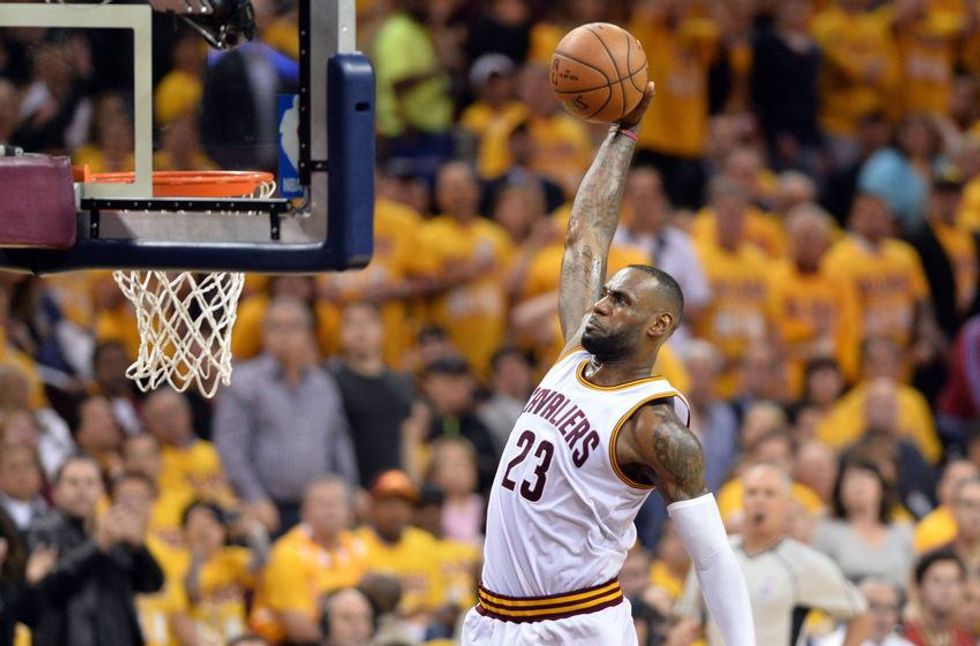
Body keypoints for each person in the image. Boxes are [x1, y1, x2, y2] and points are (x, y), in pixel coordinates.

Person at [461, 84, 754, 645]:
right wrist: (624, 134)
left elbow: (715, 557)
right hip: (494, 618)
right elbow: (585, 236)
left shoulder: (654, 426)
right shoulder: (576, 353)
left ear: (658, 326)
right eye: (605, 293)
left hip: (575, 626)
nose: (599, 303)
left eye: (619, 300)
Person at [676, 463, 870, 645]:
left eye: (770, 494)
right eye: (752, 493)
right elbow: (691, 621)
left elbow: (861, 616)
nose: (759, 500)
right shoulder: (714, 556)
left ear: (787, 505)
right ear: (742, 501)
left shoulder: (804, 563)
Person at [214, 297, 358, 535]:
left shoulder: (323, 385)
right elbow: (231, 449)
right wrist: (255, 497)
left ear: (308, 335)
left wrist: (347, 494)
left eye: (293, 327)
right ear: (264, 335)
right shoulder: (244, 383)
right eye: (276, 327)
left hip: (320, 509)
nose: (285, 335)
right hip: (268, 508)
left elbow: (338, 444)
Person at [29, 459, 164, 646]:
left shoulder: (112, 528)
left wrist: (138, 548)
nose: (82, 490)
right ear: (56, 491)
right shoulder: (43, 530)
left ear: (101, 490)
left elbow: (152, 584)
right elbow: (49, 588)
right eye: (73, 483)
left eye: (90, 482)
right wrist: (98, 546)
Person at [249, 477, 367, 645]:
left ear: (350, 511)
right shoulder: (287, 553)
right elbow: (298, 629)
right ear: (304, 512)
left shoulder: (358, 546)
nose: (330, 510)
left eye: (336, 503)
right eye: (322, 504)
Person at [812, 460, 915, 588]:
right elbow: (819, 580)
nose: (859, 484)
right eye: (851, 479)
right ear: (839, 491)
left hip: (897, 598)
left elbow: (913, 581)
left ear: (882, 488)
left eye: (867, 477)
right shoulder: (827, 532)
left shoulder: (902, 531)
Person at [903, 549, 973, 645]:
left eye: (953, 581)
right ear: (919, 587)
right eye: (937, 581)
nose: (946, 589)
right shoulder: (903, 639)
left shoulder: (967, 640)